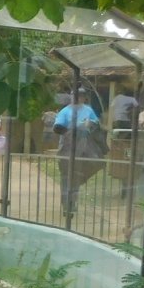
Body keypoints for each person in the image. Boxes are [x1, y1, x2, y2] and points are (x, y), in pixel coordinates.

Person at [51, 88, 104, 217]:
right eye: (76, 95)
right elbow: (57, 128)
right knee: (66, 176)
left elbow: (96, 124)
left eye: (81, 96)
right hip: (67, 147)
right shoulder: (65, 111)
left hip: (83, 147)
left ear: (84, 97)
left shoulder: (88, 110)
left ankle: (72, 202)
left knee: (77, 175)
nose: (78, 98)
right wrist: (72, 130)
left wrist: (90, 124)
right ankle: (66, 205)